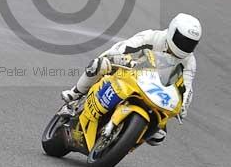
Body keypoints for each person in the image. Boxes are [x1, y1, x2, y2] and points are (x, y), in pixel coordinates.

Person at [60, 13, 202, 145]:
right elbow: (123, 48)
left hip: (156, 92)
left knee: (158, 135)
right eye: (182, 40)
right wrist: (119, 59)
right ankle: (76, 94)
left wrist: (183, 107)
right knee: (99, 64)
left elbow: (187, 88)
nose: (185, 46)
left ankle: (124, 139)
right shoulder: (152, 37)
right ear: (172, 31)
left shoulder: (189, 61)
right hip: (130, 72)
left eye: (190, 43)